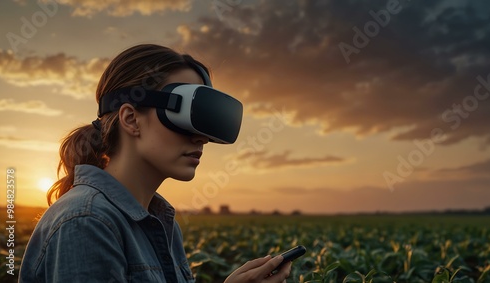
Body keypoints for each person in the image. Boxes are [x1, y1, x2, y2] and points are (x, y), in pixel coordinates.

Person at [19, 44, 291, 282]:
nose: (201, 138)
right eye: (186, 117)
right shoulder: (87, 222)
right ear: (130, 119)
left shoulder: (160, 222)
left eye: (205, 123)